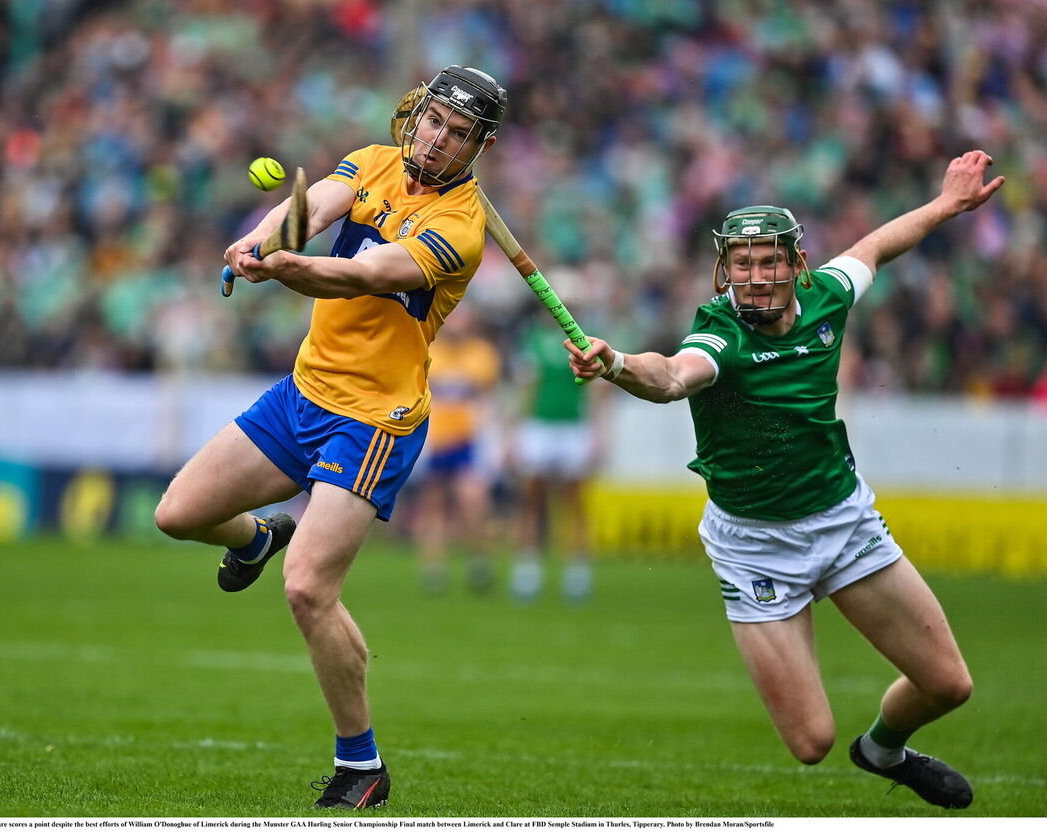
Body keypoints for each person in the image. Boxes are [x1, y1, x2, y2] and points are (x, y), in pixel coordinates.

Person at [567, 151, 1004, 810]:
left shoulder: (828, 295)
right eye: (742, 264)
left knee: (948, 685)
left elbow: (879, 245)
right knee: (810, 741)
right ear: (725, 273)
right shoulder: (720, 335)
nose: (756, 277)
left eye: (770, 261)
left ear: (798, 266)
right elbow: (673, 376)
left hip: (842, 520)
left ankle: (884, 749)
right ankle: (848, 734)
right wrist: (618, 363)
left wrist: (946, 205)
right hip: (754, 545)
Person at [153, 65, 506, 810]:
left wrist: (285, 269)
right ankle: (253, 538)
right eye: (434, 121)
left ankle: (362, 765)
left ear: (479, 146)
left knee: (309, 589)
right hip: (302, 394)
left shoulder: (460, 229)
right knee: (177, 514)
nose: (438, 138)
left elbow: (363, 275)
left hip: (374, 419)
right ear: (417, 116)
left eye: (459, 132)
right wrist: (256, 241)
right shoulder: (373, 160)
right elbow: (312, 205)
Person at [510, 313, 602, 602]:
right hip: (540, 425)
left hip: (573, 426)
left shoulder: (583, 339)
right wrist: (516, 429)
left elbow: (597, 389)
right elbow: (527, 388)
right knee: (533, 499)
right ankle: (529, 568)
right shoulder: (534, 340)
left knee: (575, 501)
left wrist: (597, 431)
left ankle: (577, 571)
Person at [413, 300, 502, 594]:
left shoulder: (482, 354)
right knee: (434, 504)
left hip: (468, 440)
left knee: (472, 502)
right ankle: (434, 568)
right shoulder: (430, 352)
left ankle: (478, 559)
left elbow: (488, 401)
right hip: (435, 440)